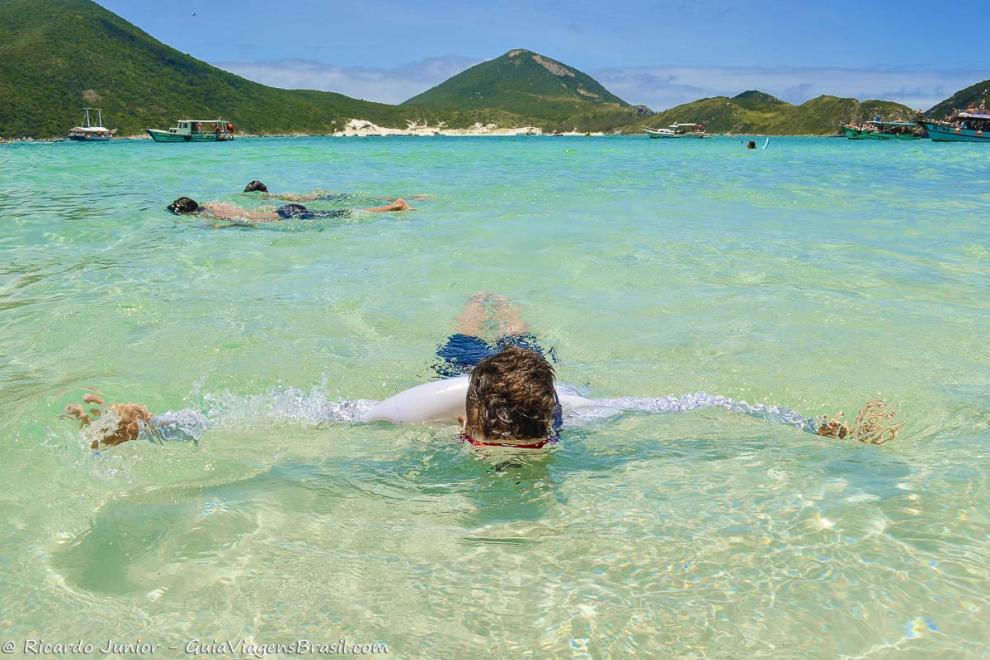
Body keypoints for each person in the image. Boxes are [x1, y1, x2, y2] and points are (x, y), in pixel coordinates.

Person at [66, 295, 901, 451]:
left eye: (529, 452)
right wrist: (156, 427)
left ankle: (512, 318)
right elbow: (285, 414)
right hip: (468, 369)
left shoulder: (580, 410)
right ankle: (484, 309)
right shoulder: (411, 408)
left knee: (526, 333)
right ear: (465, 422)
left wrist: (817, 429)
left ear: (551, 426)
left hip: (536, 371)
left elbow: (711, 402)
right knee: (469, 330)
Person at [166, 196, 411, 224]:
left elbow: (244, 220)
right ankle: (391, 206)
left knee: (346, 214)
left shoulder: (211, 213)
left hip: (287, 215)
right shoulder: (212, 203)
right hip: (284, 210)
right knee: (341, 213)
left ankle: (393, 206)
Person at [242, 180, 426, 204]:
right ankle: (413, 197)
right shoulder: (278, 195)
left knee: (368, 200)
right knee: (369, 199)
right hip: (326, 198)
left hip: (326, 200)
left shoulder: (275, 197)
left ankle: (413, 198)